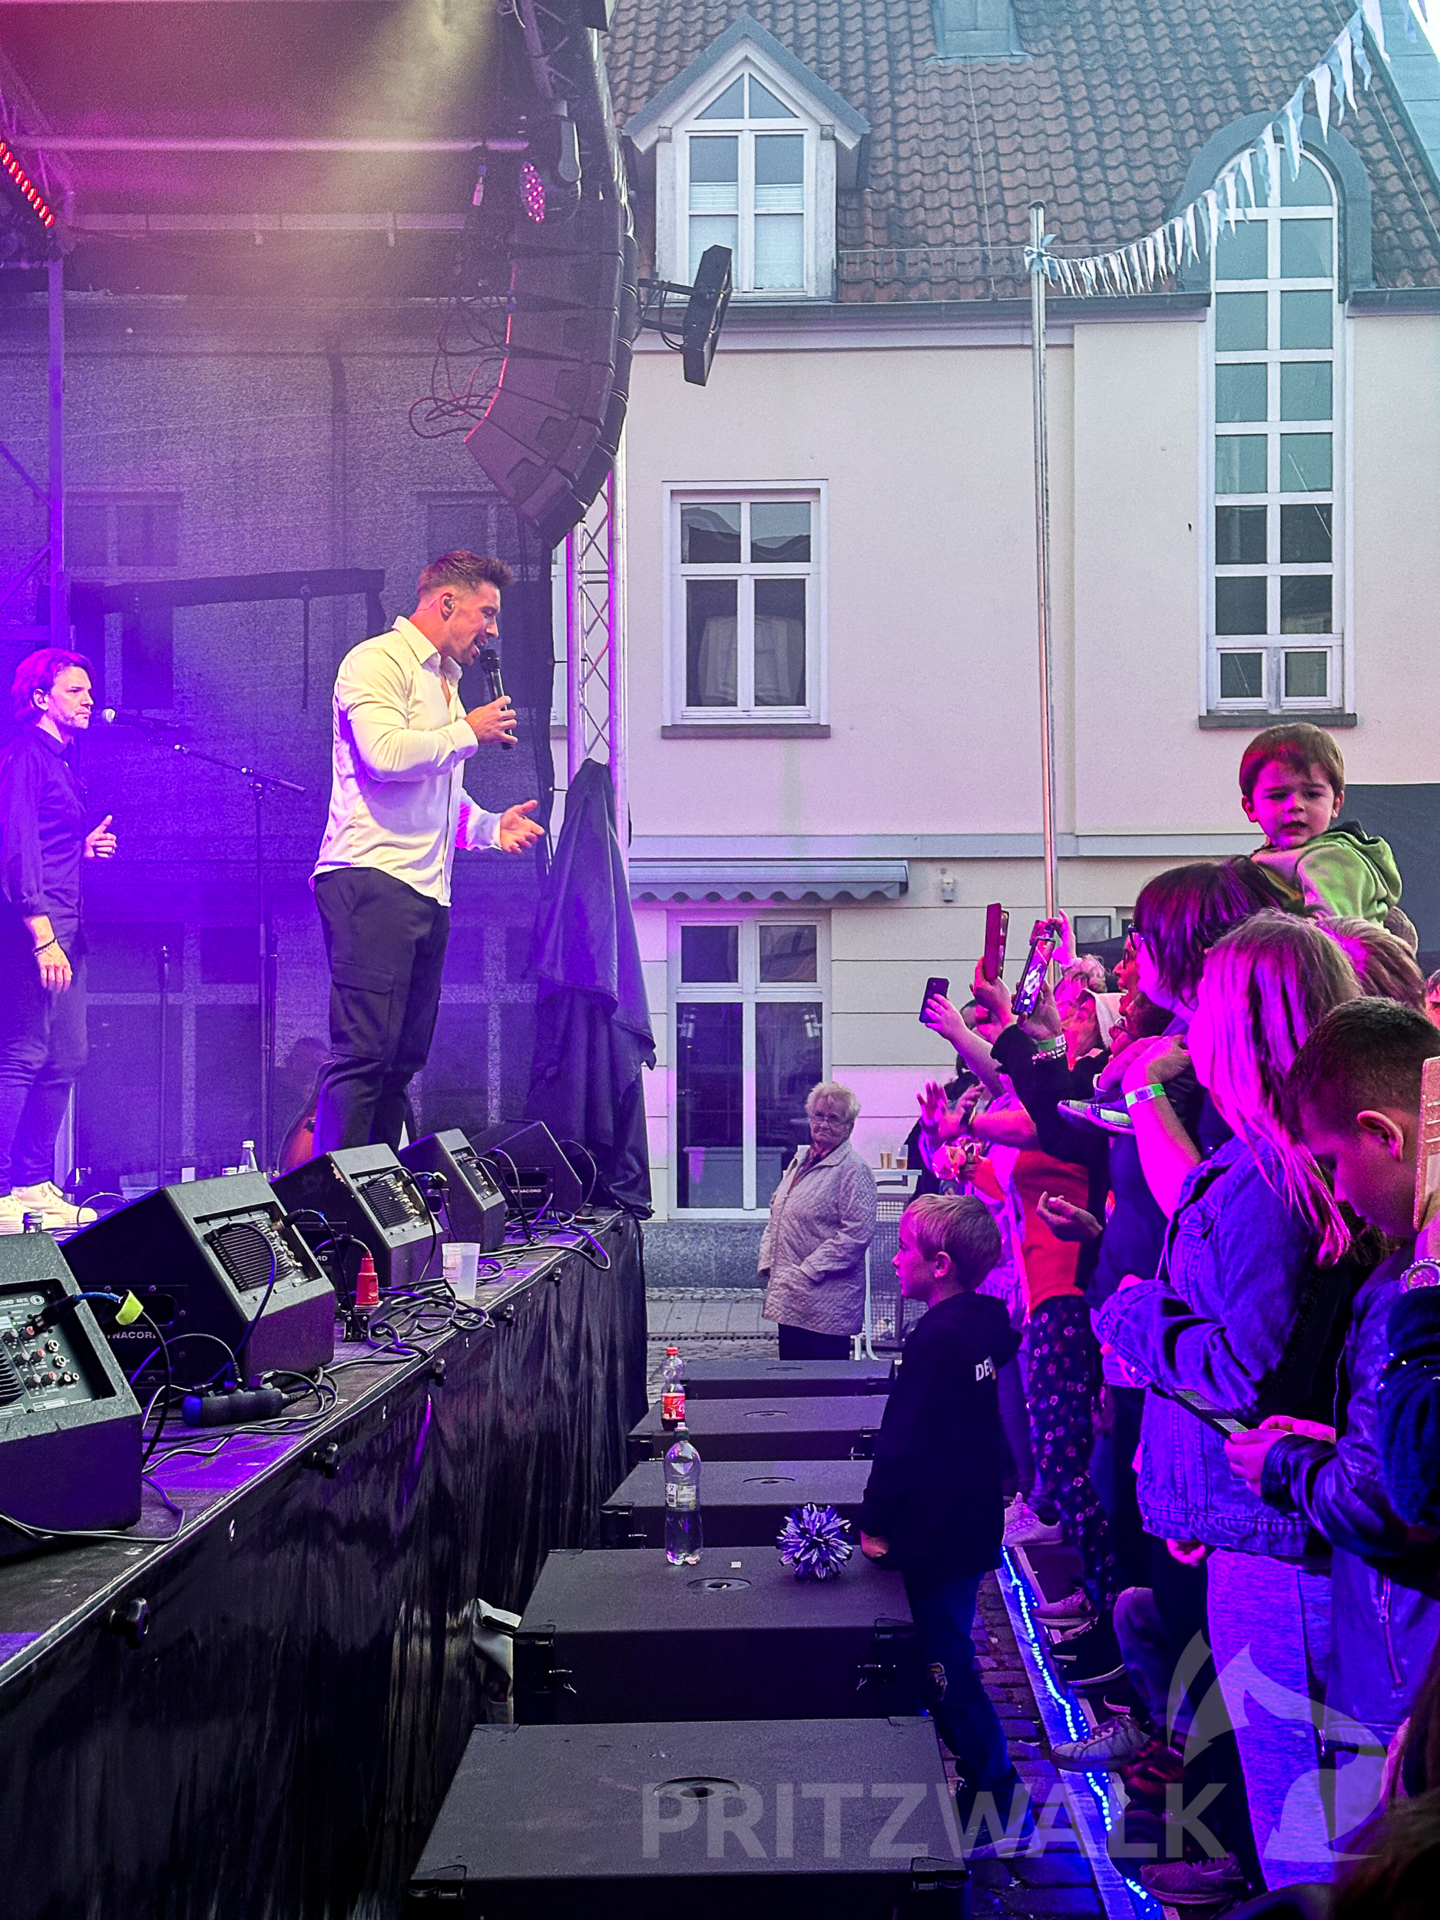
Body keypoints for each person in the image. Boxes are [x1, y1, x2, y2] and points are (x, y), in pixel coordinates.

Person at [1097, 914, 1365, 1889]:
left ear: (1242, 1026)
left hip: (1273, 1538)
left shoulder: (1267, 1173)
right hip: (1248, 1518)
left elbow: (1244, 1367)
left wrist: (1133, 1322)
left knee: (1301, 1830)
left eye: (1203, 1010)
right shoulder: (1269, 1155)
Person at [1225, 998, 1440, 1840]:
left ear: (1385, 1135)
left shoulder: (1415, 1281)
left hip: (1406, 1665)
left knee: (1371, 1859)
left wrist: (1287, 1470)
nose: (1339, 1195)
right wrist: (1345, 1443)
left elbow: (1406, 1494)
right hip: (1403, 1657)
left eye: (1332, 1160)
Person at [311, 551, 546, 1153]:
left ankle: (376, 1194)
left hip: (425, 889)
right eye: (486, 614)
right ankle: (334, 1206)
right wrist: (468, 730)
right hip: (371, 877)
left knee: (400, 1060)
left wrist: (491, 827)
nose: (493, 631)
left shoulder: (446, 681)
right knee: (365, 1055)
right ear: (447, 603)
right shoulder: (375, 661)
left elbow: (437, 795)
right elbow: (384, 757)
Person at [857, 1194, 1028, 1843]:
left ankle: (1000, 1800)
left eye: (904, 1249)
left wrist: (873, 1518)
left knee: (946, 1665)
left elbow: (905, 1436)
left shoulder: (939, 1337)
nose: (896, 1260)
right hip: (967, 1523)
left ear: (941, 1264)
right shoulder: (980, 1326)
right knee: (944, 1654)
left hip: (940, 1535)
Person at [0, 650, 116, 1231]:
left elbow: (47, 842)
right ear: (41, 699)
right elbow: (16, 849)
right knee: (22, 1051)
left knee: (67, 1053)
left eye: (88, 689)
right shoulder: (25, 756)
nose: (89, 699)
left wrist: (81, 848)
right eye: (75, 690)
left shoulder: (63, 763)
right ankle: (0, 1190)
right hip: (37, 933)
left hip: (70, 929)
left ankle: (31, 1181)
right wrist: (42, 937)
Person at [759, 1081, 877, 1359]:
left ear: (848, 1126)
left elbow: (857, 1234)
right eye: (819, 1115)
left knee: (824, 1388)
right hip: (790, 1299)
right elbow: (777, 1210)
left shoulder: (854, 1170)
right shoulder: (800, 1159)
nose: (824, 1123)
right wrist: (768, 1260)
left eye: (833, 1118)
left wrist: (810, 1269)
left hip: (826, 1304)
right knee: (791, 1383)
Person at [1240, 722, 1402, 925]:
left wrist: (1244, 944)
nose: (1295, 805)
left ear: (1336, 804)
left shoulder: (1330, 859)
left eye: (1312, 794)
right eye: (1278, 796)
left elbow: (1334, 932)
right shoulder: (1269, 856)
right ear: (1250, 808)